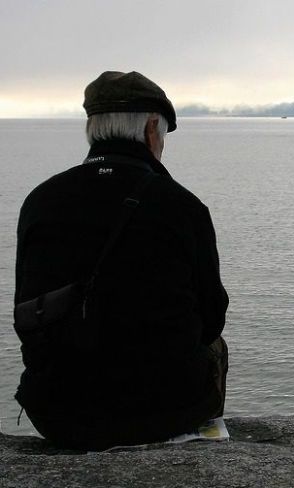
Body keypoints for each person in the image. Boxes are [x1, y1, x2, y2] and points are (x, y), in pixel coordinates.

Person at [13, 70, 229, 450]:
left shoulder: (40, 201)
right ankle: (194, 452)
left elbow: (27, 314)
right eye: (162, 136)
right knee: (216, 347)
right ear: (150, 130)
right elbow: (212, 318)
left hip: (56, 414)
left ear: (93, 130)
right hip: (163, 413)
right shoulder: (182, 206)